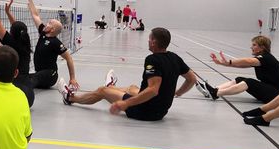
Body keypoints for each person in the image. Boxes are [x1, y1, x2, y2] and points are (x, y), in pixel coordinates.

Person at [58, 27, 197, 121]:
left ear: (154, 42)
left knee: (101, 91)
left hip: (145, 111)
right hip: (161, 111)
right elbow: (191, 79)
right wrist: (177, 93)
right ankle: (111, 87)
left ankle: (70, 98)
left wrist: (125, 104)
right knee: (132, 87)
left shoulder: (152, 60)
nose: (148, 41)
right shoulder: (175, 58)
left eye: (149, 39)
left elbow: (153, 90)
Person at [198, 36, 279, 103]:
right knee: (240, 79)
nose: (251, 47)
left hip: (277, 95)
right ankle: (212, 89)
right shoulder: (261, 59)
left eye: (254, 45)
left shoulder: (266, 58)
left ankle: (215, 93)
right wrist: (223, 63)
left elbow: (247, 61)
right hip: (269, 91)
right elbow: (242, 65)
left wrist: (229, 62)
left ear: (262, 47)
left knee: (249, 82)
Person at [27, 0, 79, 90]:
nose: (46, 24)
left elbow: (69, 58)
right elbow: (35, 15)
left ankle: (24, 91)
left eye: (49, 23)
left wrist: (72, 78)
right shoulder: (43, 33)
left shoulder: (55, 42)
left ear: (53, 29)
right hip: (40, 73)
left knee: (33, 78)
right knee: (27, 77)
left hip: (51, 75)